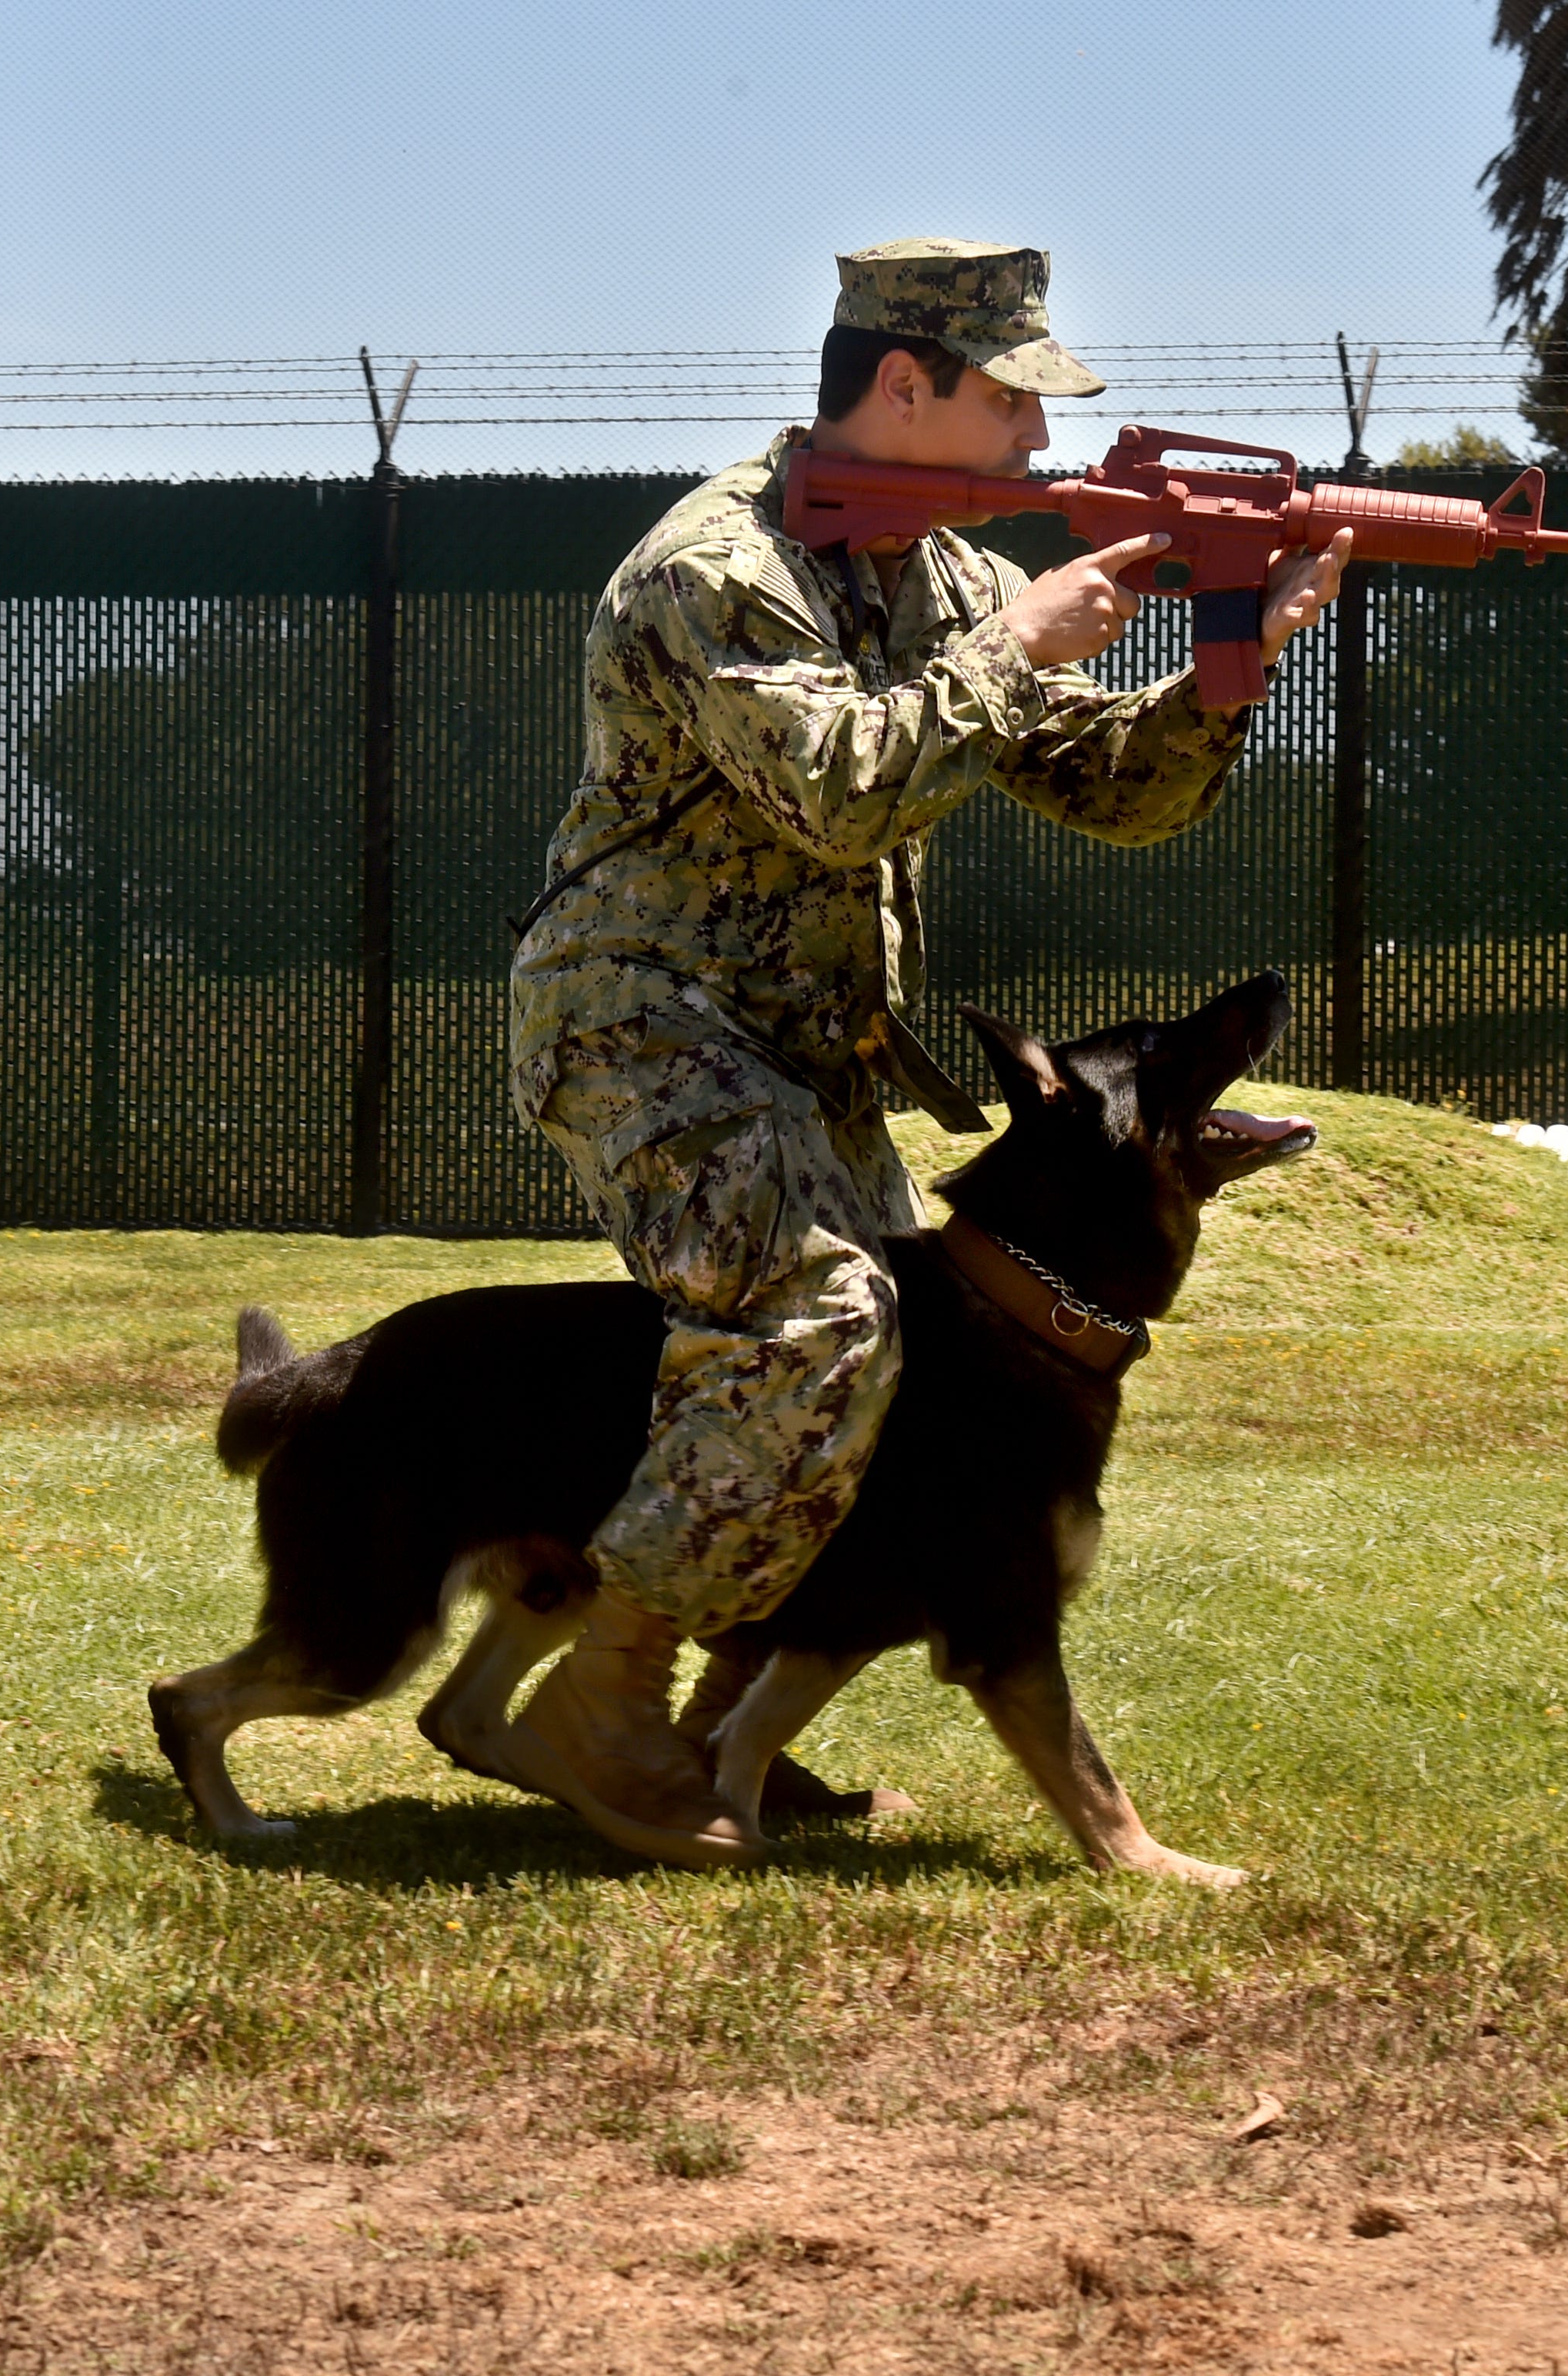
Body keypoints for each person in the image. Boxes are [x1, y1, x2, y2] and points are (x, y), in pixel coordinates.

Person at [499, 238, 1350, 1866]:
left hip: (806, 1050)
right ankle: (596, 1702)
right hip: (644, 1021)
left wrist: (1235, 667)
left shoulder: (946, 573)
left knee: (912, 1375)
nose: (1043, 445)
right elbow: (837, 788)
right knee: (824, 1321)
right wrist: (1019, 641)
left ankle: (718, 1734)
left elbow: (1111, 790)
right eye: (1013, 400)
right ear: (904, 383)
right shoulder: (712, 566)